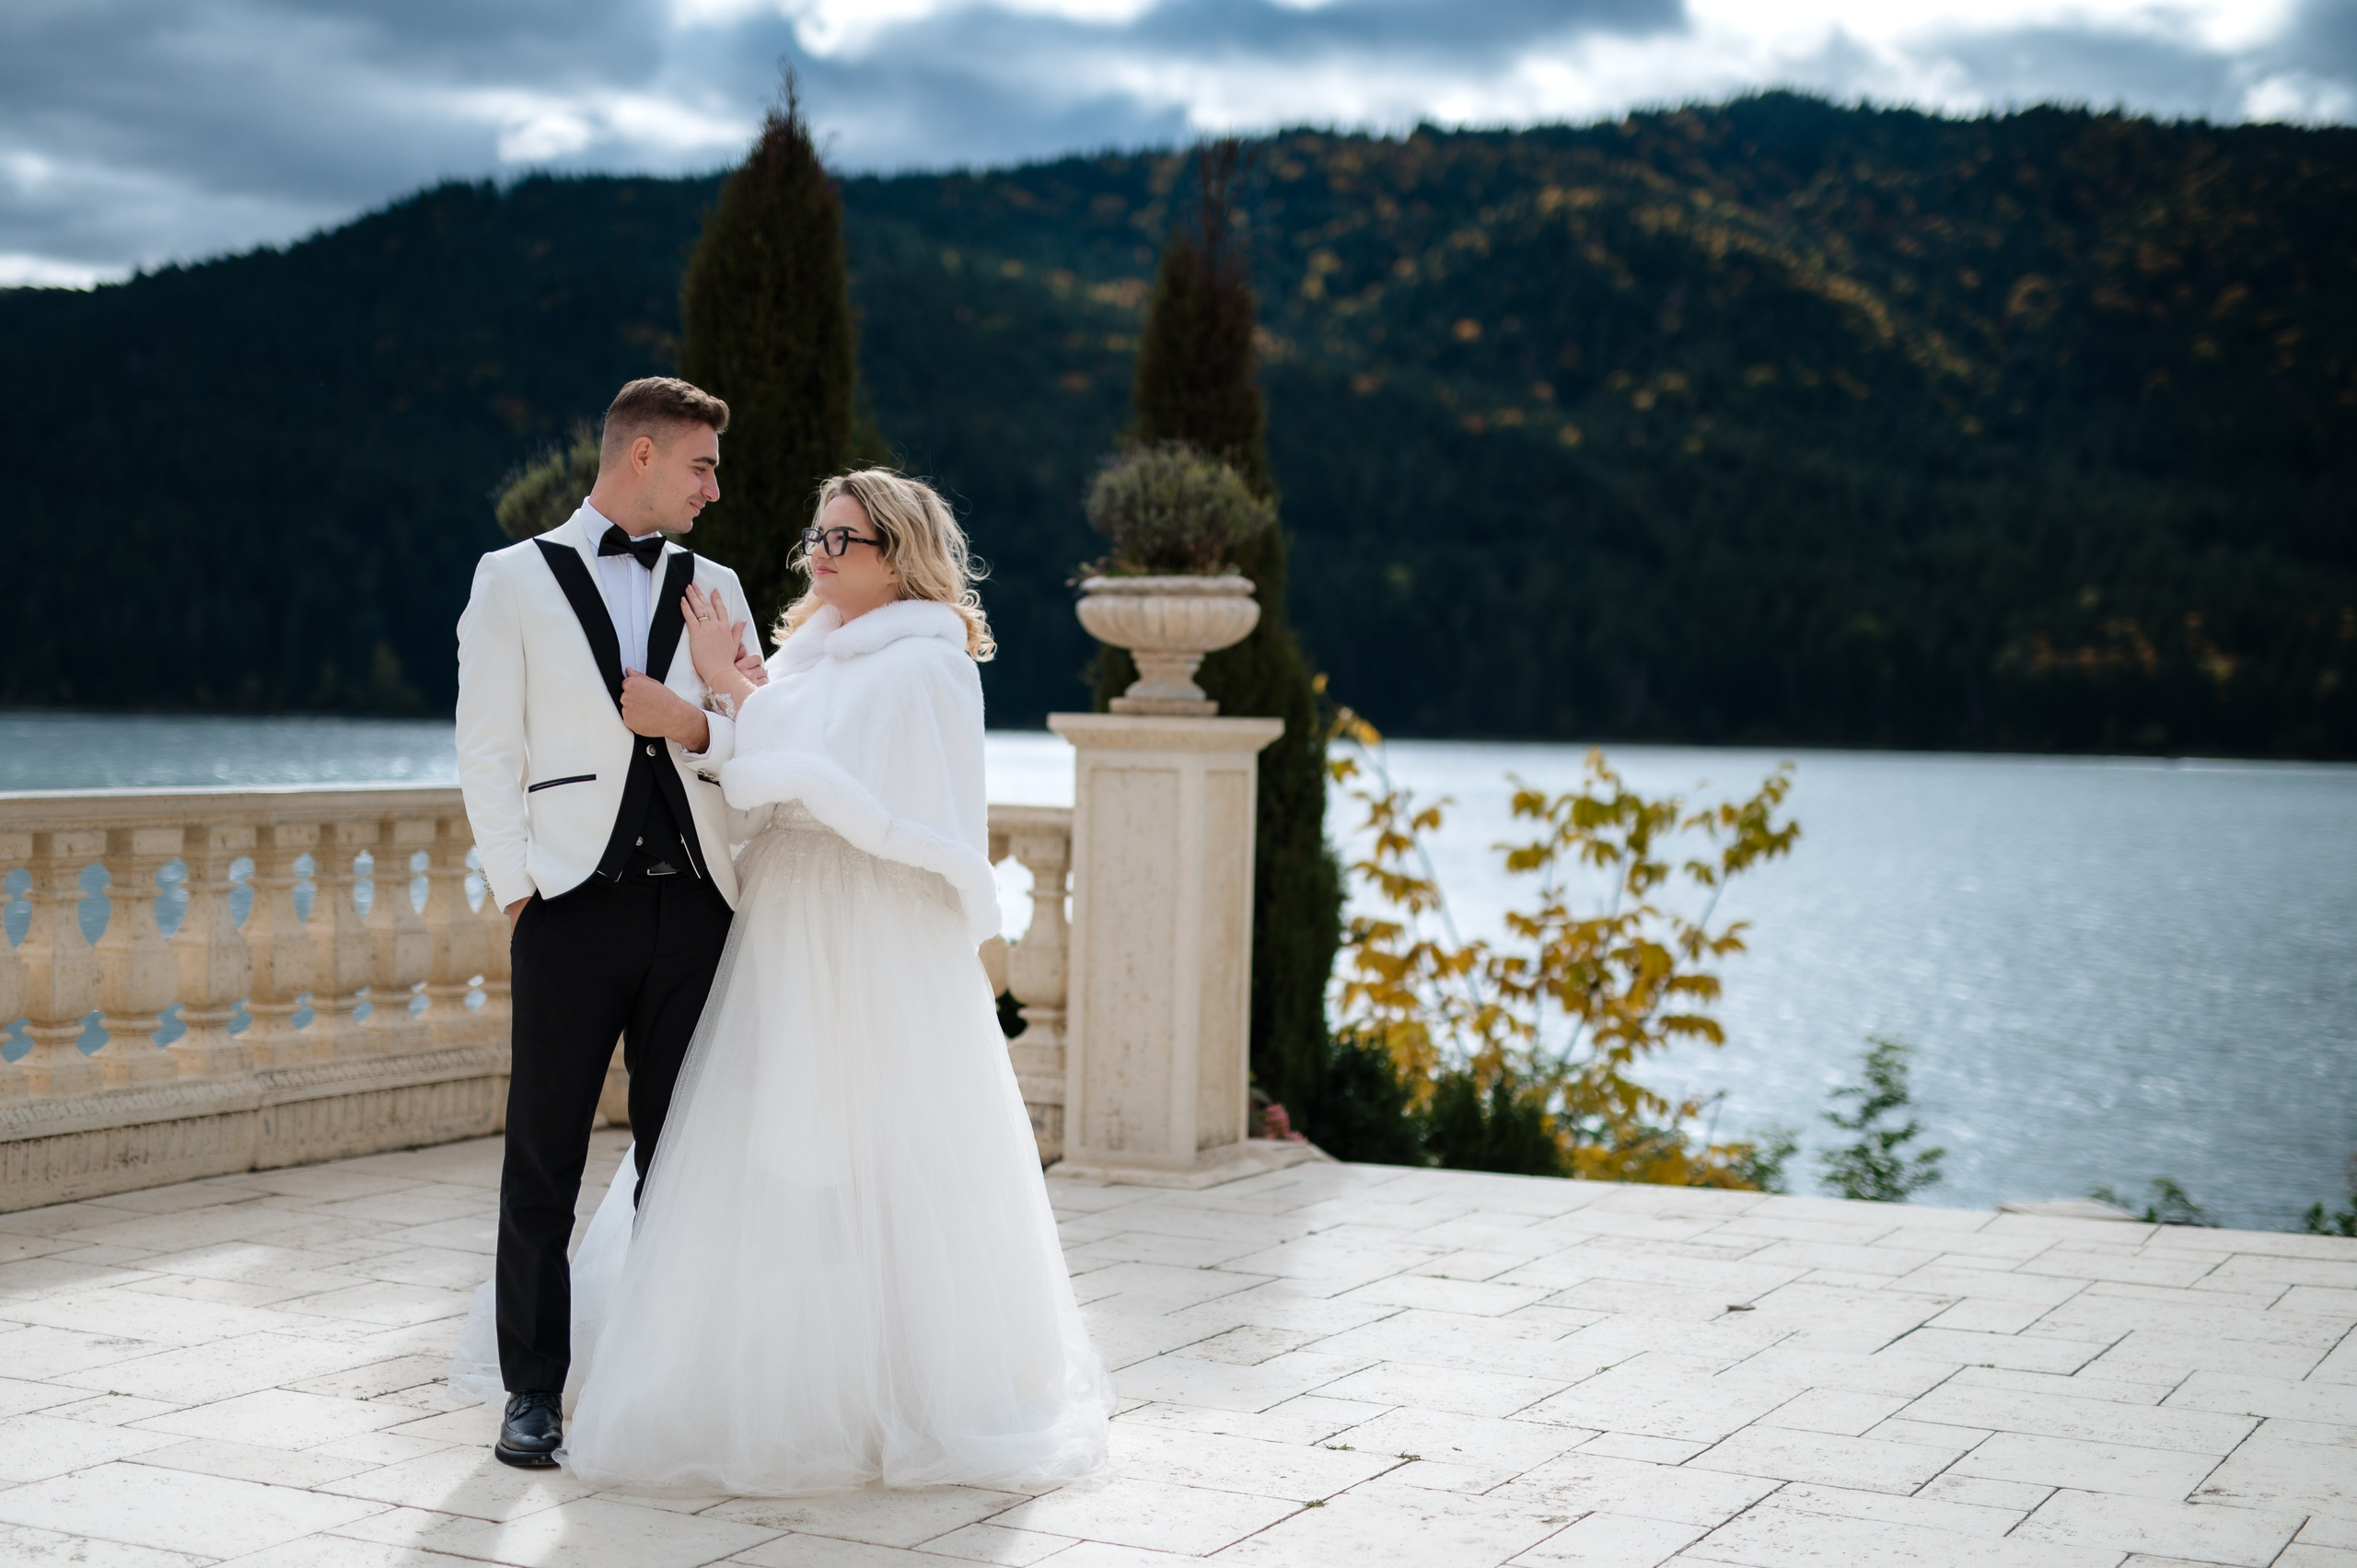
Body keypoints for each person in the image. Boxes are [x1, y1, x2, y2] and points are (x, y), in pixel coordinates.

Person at [553, 470, 1111, 1494]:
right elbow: (778, 768)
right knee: (768, 1145)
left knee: (869, 1148)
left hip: (864, 926)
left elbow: (827, 782)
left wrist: (716, 700)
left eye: (843, 538)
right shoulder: (813, 655)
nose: (819, 550)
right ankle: (762, 1371)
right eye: (817, 532)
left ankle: (881, 1390)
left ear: (897, 553)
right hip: (789, 915)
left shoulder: (925, 662)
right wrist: (732, 697)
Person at [451, 376, 764, 1469]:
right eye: (700, 465)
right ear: (639, 455)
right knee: (543, 1158)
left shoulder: (717, 586)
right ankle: (531, 1389)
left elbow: (751, 734)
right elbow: (485, 748)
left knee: (683, 1160)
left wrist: (714, 708)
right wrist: (518, 888)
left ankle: (667, 1377)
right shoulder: (510, 581)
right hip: (570, 909)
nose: (714, 489)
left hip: (698, 909)